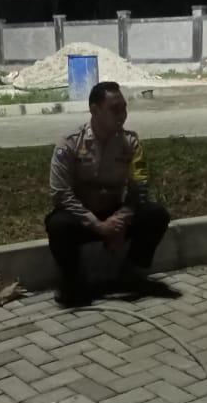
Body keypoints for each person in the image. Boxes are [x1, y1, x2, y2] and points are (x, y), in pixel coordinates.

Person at [46, 81, 170, 305]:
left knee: (156, 214)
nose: (122, 115)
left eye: (124, 108)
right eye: (115, 109)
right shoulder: (69, 143)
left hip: (115, 214)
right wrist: (98, 225)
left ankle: (131, 272)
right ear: (95, 110)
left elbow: (140, 188)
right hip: (83, 218)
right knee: (58, 224)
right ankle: (72, 282)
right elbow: (60, 194)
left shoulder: (131, 143)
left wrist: (120, 221)